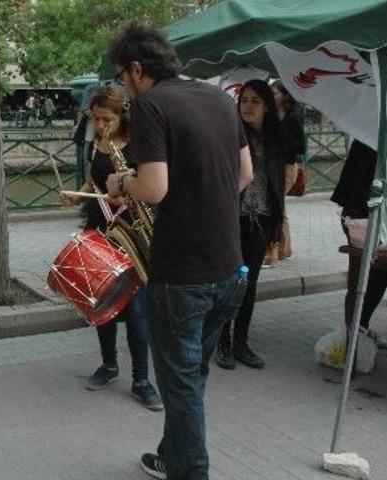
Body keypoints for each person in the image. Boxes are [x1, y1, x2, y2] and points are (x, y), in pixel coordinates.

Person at [105, 23, 253, 480]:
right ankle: (173, 454)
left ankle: (191, 471)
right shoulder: (221, 99)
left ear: (136, 68)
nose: (122, 89)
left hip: (183, 273)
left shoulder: (151, 104)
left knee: (182, 383)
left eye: (121, 77)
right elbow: (245, 174)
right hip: (230, 268)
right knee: (188, 378)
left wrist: (120, 182)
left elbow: (153, 186)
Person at [59, 86, 162, 411]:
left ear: (122, 115)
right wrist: (78, 194)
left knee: (136, 310)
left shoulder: (141, 144)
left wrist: (128, 195)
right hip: (101, 228)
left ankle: (142, 380)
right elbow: (94, 182)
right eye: (97, 118)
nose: (101, 125)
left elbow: (153, 188)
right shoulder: (99, 143)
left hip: (131, 232)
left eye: (107, 119)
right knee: (100, 298)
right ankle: (109, 364)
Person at [215, 79, 286, 371]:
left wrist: (277, 228)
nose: (248, 106)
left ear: (267, 106)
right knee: (227, 283)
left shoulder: (274, 140)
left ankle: (242, 342)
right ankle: (222, 342)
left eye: (255, 101)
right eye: (244, 100)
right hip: (232, 221)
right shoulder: (230, 136)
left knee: (249, 285)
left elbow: (278, 186)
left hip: (261, 221)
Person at [331, 141, 387, 336]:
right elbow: (356, 186)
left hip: (375, 217)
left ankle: (359, 329)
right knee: (364, 277)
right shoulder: (370, 138)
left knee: (379, 273)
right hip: (362, 219)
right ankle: (355, 333)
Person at [265, 81, 306, 265]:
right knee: (278, 206)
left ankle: (278, 251)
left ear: (284, 95)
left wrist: (279, 144)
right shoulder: (271, 115)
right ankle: (284, 249)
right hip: (272, 165)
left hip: (287, 166)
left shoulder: (293, 115)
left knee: (276, 204)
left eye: (275, 93)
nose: (272, 96)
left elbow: (301, 146)